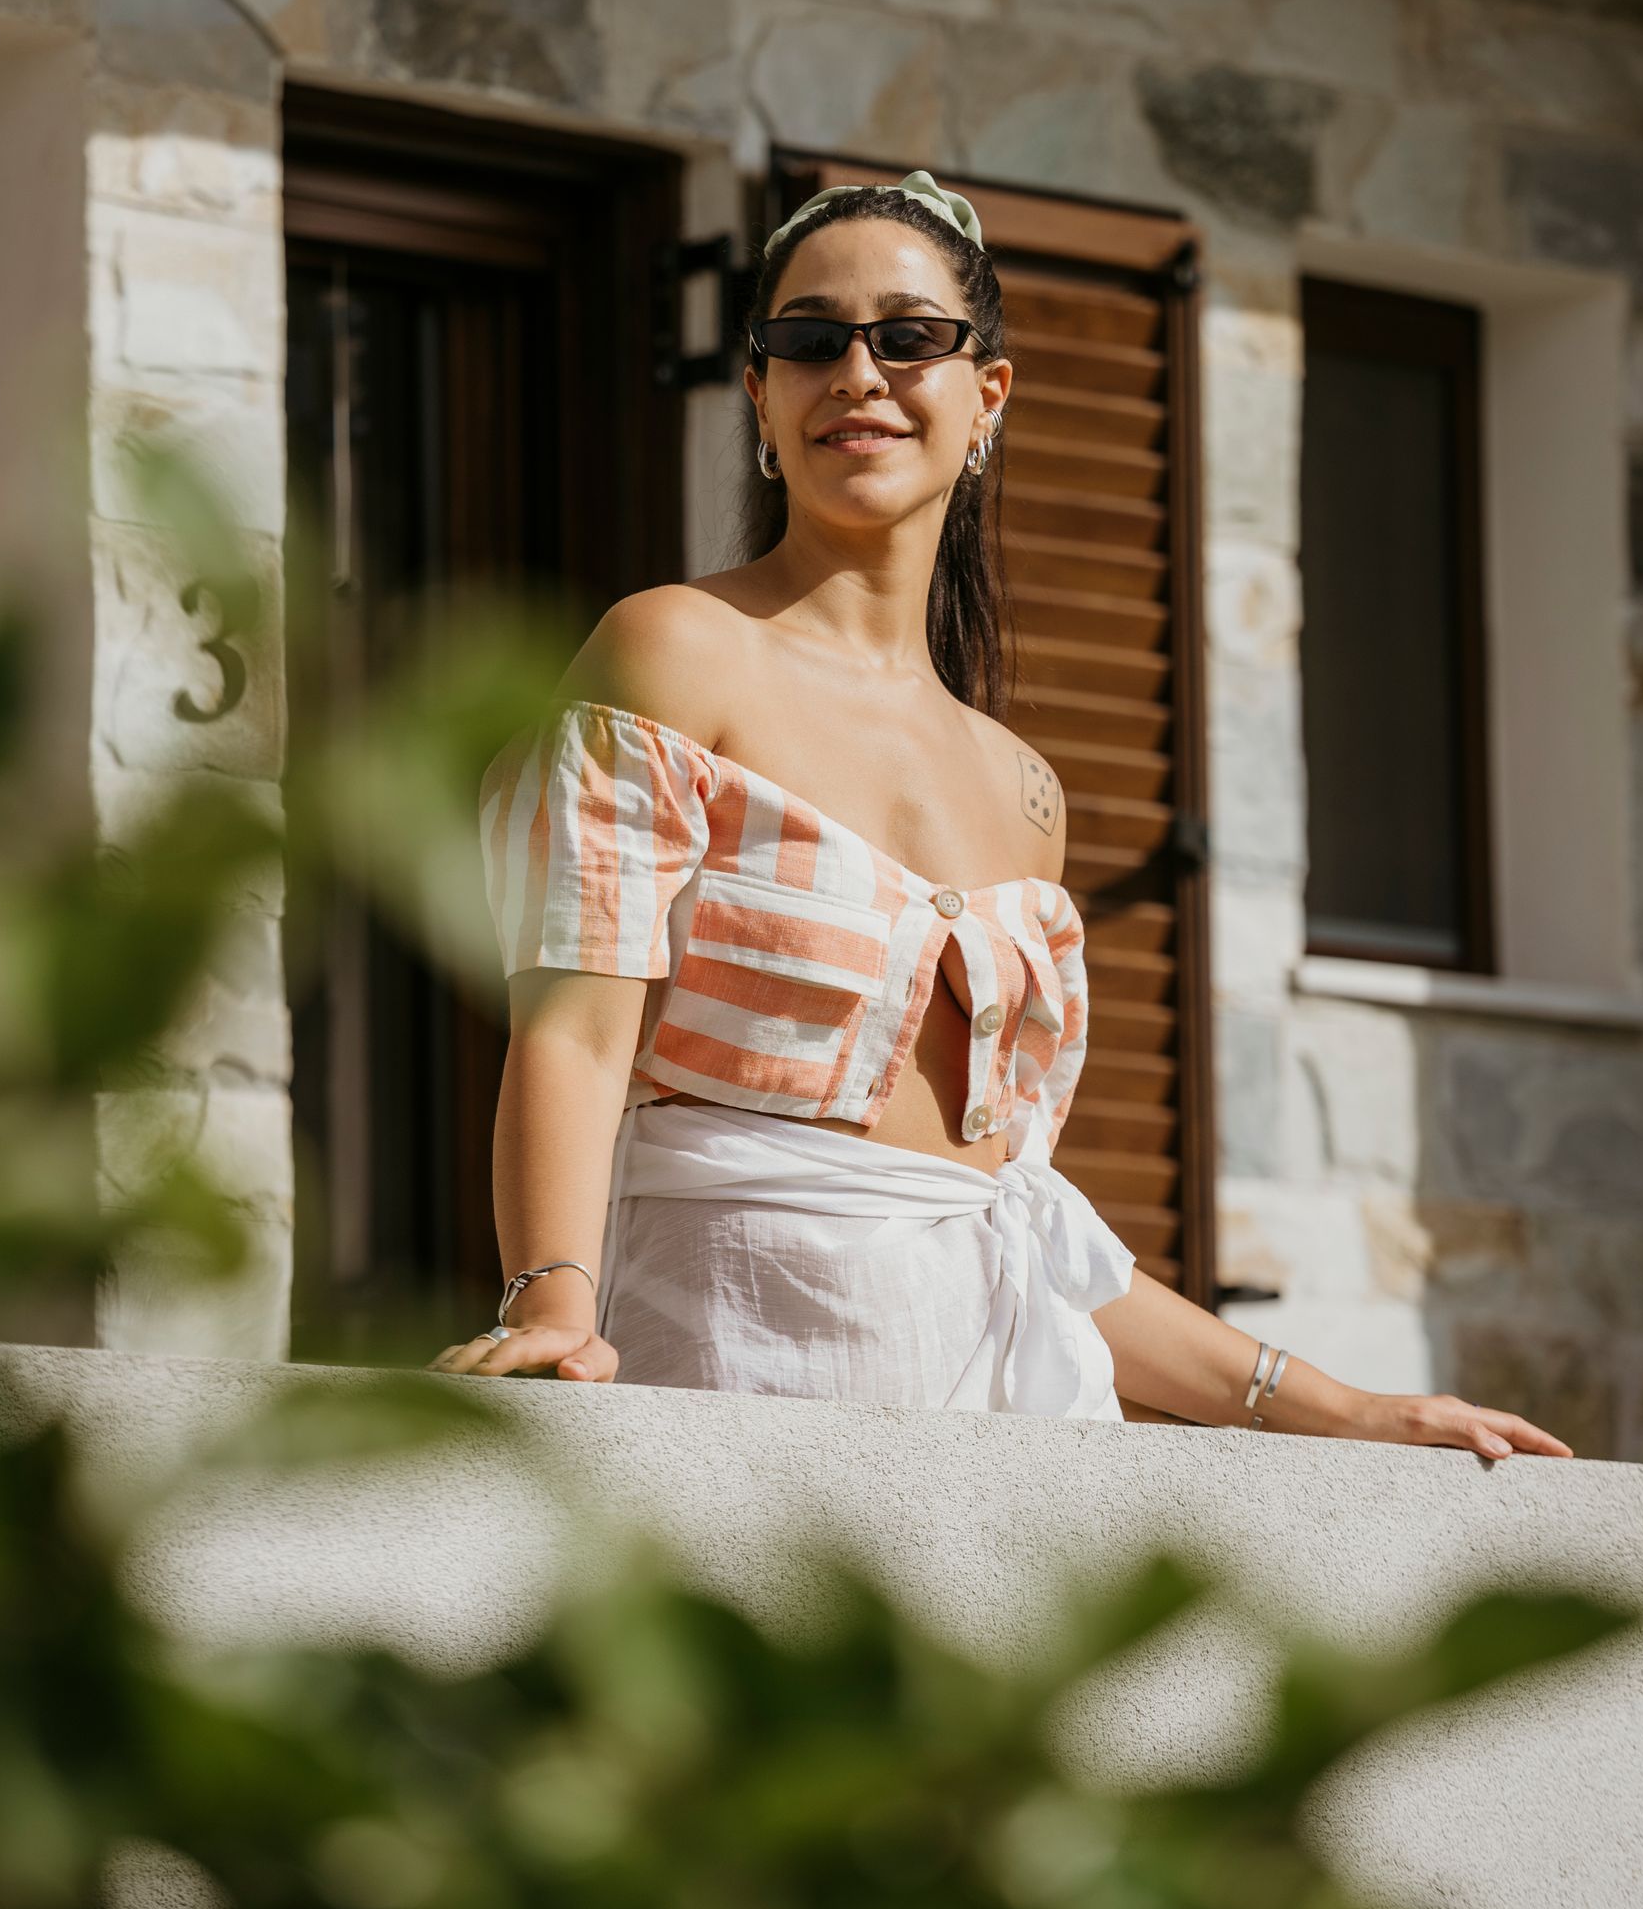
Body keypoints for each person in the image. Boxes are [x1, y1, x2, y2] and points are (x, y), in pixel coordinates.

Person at [434, 173, 1569, 1463]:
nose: (859, 372)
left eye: (911, 337)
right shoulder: (675, 652)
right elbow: (574, 1040)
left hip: (1003, 1437)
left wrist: (1356, 1411)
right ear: (759, 396)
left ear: (988, 397)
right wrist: (555, 1300)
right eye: (809, 340)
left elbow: (1011, 1224)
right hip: (729, 1370)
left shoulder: (1025, 793)